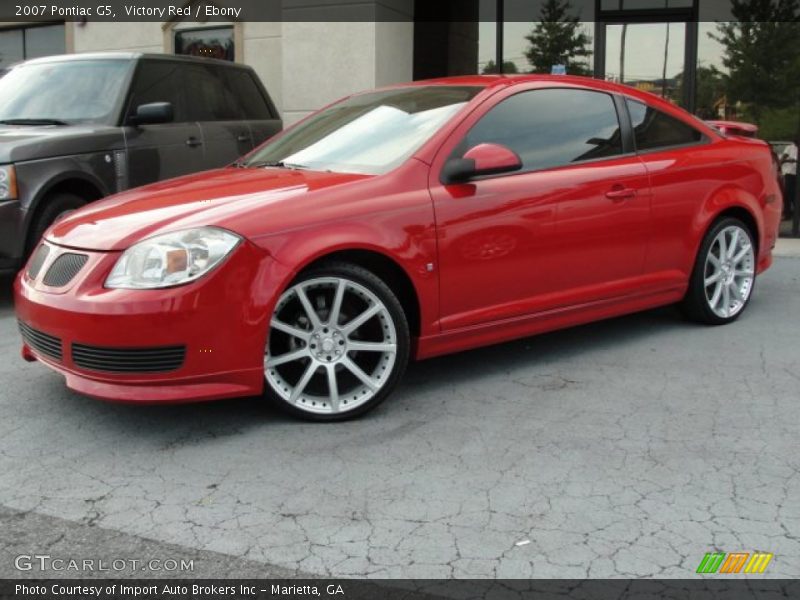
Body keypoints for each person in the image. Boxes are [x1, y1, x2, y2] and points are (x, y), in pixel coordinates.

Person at [781, 141, 797, 220]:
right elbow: (782, 160)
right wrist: (788, 160)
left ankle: (793, 212)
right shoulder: (790, 147)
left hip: (796, 173)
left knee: (794, 193)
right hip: (789, 173)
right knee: (787, 192)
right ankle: (788, 213)